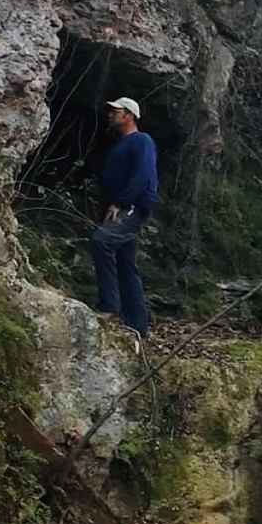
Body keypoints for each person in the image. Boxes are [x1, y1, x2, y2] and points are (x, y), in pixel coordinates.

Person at [90, 98, 158, 347]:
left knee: (101, 241)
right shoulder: (122, 144)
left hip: (132, 207)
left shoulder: (141, 141)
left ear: (129, 115)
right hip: (121, 207)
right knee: (126, 263)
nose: (110, 114)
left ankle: (109, 307)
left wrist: (121, 203)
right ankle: (137, 326)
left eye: (116, 111)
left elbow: (143, 175)